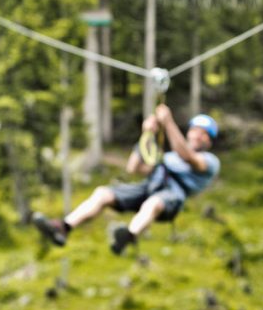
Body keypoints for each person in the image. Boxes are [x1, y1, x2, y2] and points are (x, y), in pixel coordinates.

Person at [32, 105, 220, 255]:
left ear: (208, 141)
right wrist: (146, 135)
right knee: (102, 194)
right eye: (195, 130)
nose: (197, 135)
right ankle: (64, 227)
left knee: (153, 203)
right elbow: (134, 168)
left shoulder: (210, 162)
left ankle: (129, 235)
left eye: (203, 133)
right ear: (189, 132)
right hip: (149, 186)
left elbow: (188, 157)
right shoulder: (170, 157)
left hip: (172, 194)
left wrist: (168, 122)